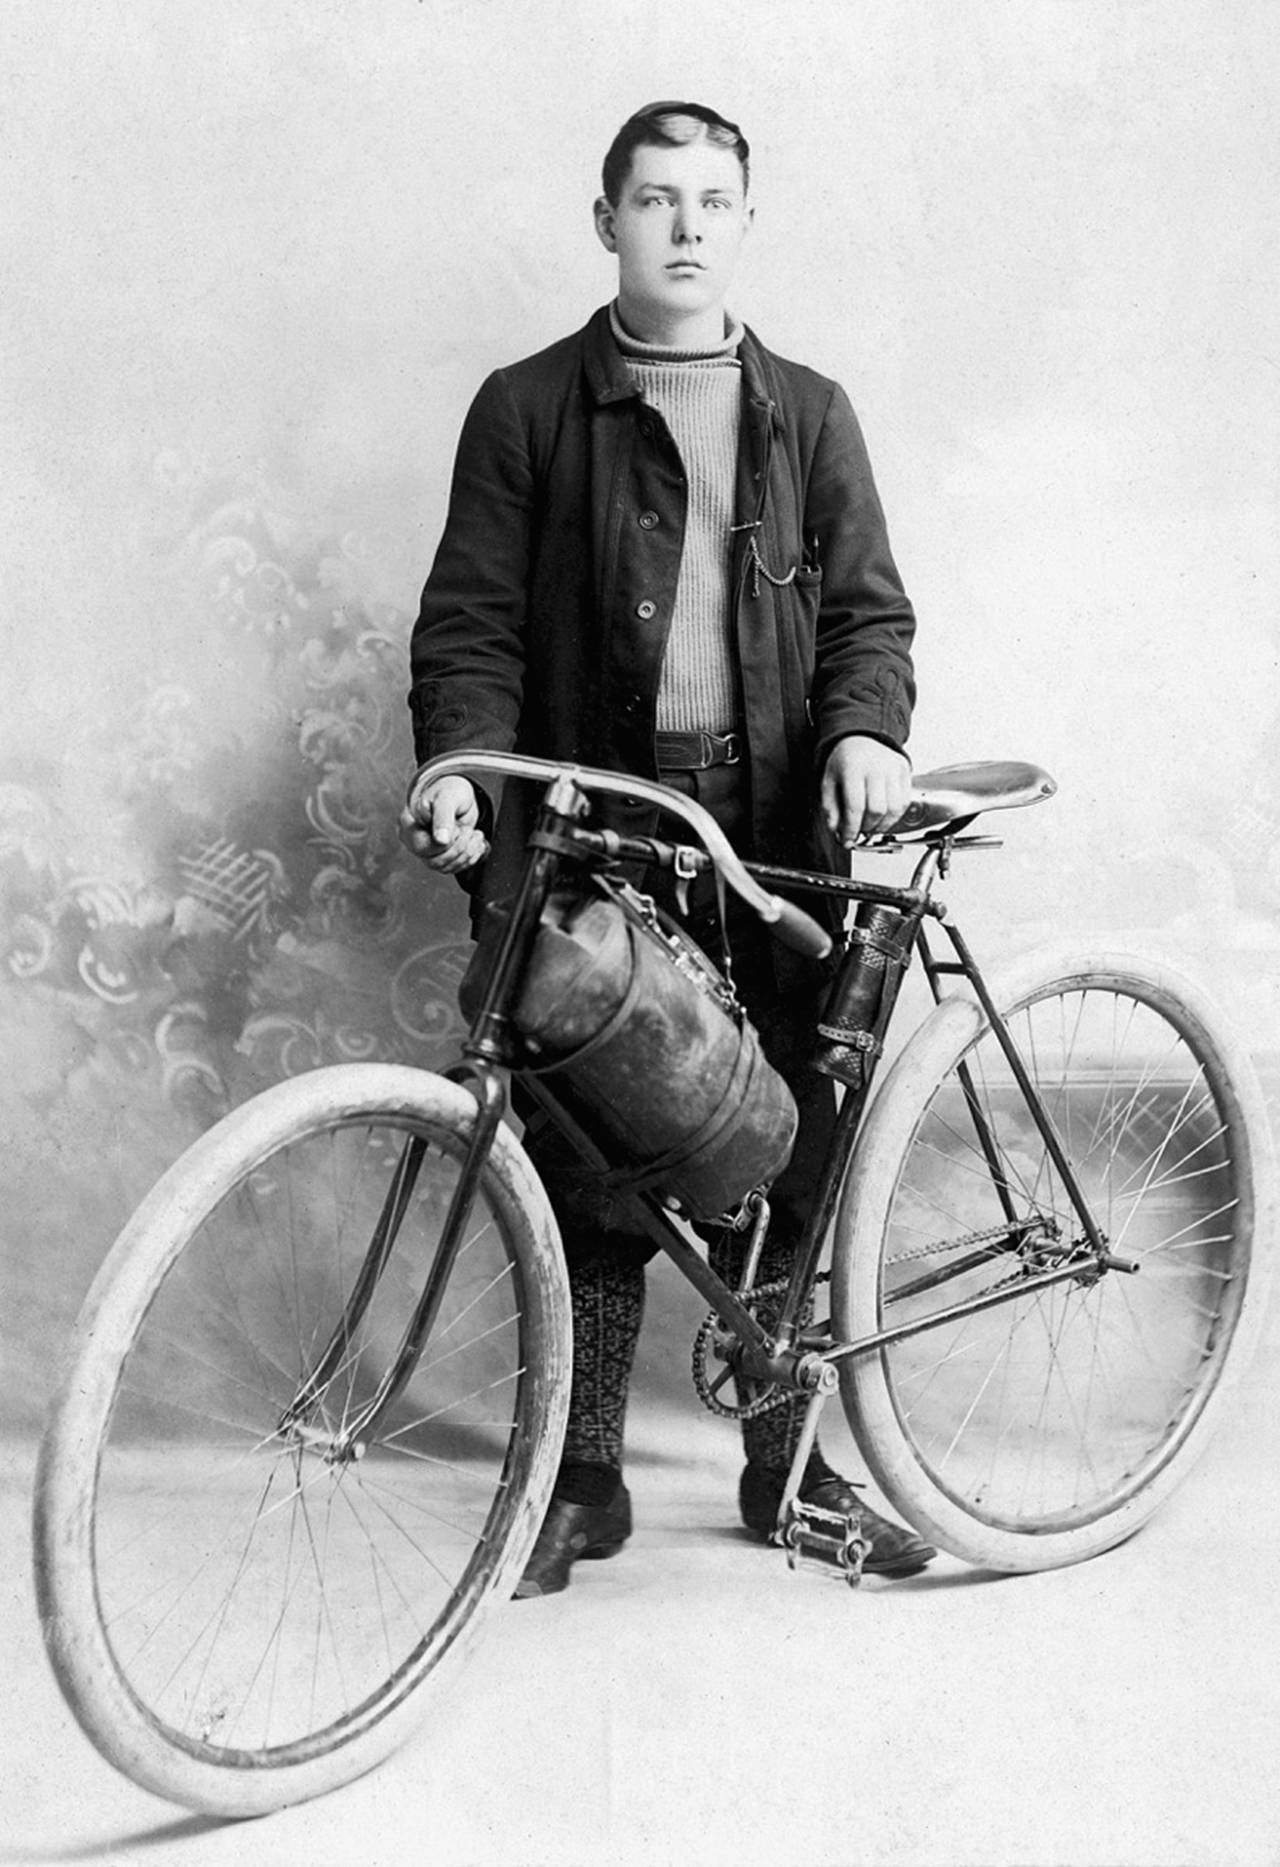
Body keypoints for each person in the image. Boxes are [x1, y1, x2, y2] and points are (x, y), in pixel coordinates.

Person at [400, 100, 936, 1592]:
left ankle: (788, 1468)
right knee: (589, 1158)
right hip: (594, 844)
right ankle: (583, 1480)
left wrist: (863, 734)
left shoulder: (811, 413)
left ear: (746, 223)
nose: (687, 226)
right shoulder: (525, 408)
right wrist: (459, 765)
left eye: (714, 201)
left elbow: (869, 622)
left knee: (787, 1151)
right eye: (656, 199)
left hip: (770, 843)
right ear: (607, 222)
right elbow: (472, 624)